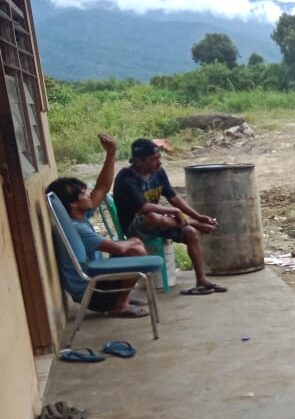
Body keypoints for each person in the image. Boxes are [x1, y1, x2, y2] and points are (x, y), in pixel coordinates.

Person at [46, 134, 151, 318]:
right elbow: (118, 247)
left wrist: (111, 153)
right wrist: (133, 243)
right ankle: (119, 304)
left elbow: (102, 188)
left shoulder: (78, 216)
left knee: (132, 245)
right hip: (92, 291)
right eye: (85, 194)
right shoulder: (77, 227)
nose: (90, 195)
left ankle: (121, 297)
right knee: (136, 251)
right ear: (73, 204)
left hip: (95, 279)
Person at [112, 138, 226, 296]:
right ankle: (194, 224)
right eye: (153, 160)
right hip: (135, 229)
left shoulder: (158, 172)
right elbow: (144, 208)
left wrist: (199, 216)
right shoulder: (125, 179)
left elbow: (174, 198)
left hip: (162, 223)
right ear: (138, 161)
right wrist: (178, 214)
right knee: (152, 216)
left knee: (190, 233)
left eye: (159, 158)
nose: (159, 163)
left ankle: (201, 281)